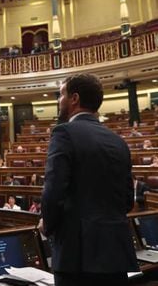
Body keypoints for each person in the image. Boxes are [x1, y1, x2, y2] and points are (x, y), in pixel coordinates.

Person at [40, 73, 138, 286]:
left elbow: (53, 192)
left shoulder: (64, 133)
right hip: (115, 253)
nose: (59, 100)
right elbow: (128, 199)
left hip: (77, 256)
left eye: (61, 94)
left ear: (74, 98)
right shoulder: (118, 141)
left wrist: (47, 225)